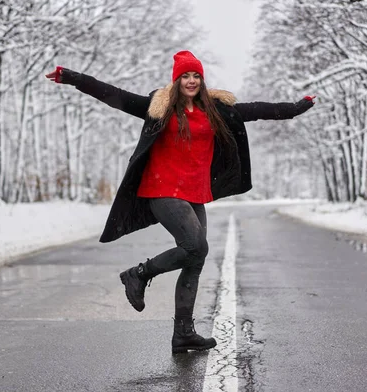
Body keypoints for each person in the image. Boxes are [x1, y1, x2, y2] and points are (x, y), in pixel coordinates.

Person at [46, 51, 315, 354]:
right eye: (185, 76)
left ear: (202, 79)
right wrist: (73, 78)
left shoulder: (215, 110)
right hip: (162, 189)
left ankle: (183, 334)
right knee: (196, 246)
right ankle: (139, 273)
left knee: (195, 259)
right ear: (176, 80)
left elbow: (257, 109)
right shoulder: (159, 108)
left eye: (195, 76)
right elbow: (113, 95)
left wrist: (295, 108)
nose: (190, 81)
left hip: (194, 193)